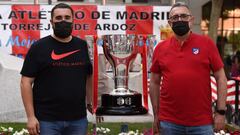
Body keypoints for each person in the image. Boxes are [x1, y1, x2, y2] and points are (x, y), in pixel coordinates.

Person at [149, 2, 227, 135]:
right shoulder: (160, 48)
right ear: (169, 22)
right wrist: (156, 115)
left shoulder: (207, 44)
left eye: (184, 16)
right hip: (168, 123)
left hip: (201, 124)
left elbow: (221, 78)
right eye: (175, 17)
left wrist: (220, 112)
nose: (179, 20)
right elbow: (154, 82)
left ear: (191, 20)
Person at [20, 3, 92, 135]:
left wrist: (92, 102)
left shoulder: (83, 46)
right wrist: (30, 117)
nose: (63, 21)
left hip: (78, 119)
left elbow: (89, 76)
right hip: (47, 120)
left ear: (73, 21)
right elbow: (25, 82)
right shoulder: (38, 47)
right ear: (51, 22)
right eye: (58, 18)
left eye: (67, 17)